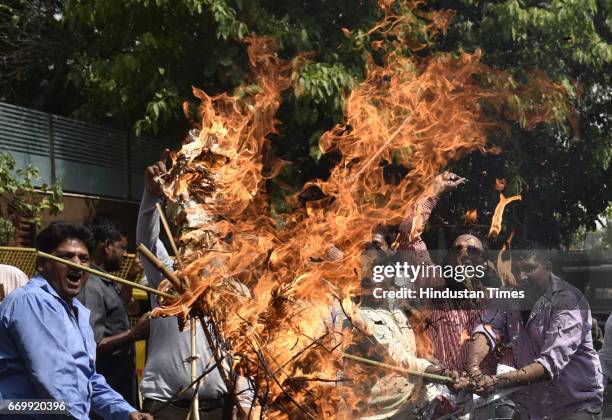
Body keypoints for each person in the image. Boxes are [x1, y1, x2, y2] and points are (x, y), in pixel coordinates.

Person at [138, 159, 255, 419]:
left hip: (218, 408)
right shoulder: (167, 278)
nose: (204, 246)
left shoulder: (236, 293)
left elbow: (242, 354)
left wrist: (245, 400)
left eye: (211, 236)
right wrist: (151, 195)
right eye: (197, 236)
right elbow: (146, 241)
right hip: (167, 408)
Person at [0, 222, 151, 420]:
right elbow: (54, 380)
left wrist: (126, 411)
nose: (76, 265)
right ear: (41, 263)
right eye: (66, 257)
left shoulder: (77, 311)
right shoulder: (33, 301)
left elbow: (87, 379)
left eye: (84, 258)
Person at [466, 243, 603, 419]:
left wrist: (495, 382)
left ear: (548, 268)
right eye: (517, 270)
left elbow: (549, 365)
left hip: (574, 406)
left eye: (530, 269)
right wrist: (474, 369)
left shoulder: (568, 301)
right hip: (532, 407)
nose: (522, 276)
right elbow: (486, 329)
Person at [77, 218, 149, 408]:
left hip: (118, 389)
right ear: (107, 246)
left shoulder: (103, 280)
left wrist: (131, 277)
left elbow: (118, 309)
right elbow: (92, 345)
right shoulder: (91, 285)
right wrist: (135, 334)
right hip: (106, 394)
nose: (125, 254)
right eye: (122, 248)